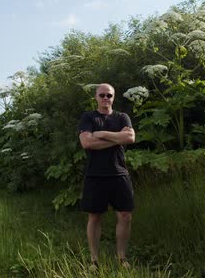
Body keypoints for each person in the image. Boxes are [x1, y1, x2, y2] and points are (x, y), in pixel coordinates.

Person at [78, 83, 135, 270]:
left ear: (114, 97)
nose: (105, 98)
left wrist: (102, 134)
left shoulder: (122, 117)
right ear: (95, 97)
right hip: (95, 175)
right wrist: (116, 138)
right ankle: (94, 260)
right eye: (102, 95)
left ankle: (121, 258)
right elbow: (86, 143)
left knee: (125, 216)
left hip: (119, 173)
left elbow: (130, 138)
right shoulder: (88, 117)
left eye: (109, 95)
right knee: (94, 217)